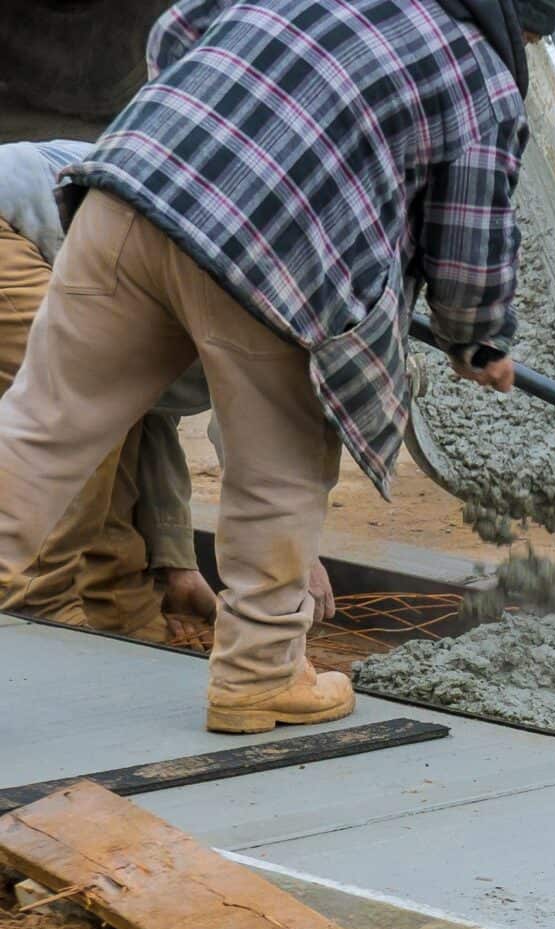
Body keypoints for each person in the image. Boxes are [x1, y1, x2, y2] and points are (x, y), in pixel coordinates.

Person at [0, 0, 555, 732]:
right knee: (282, 472)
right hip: (273, 253)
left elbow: (177, 30)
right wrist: (478, 339)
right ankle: (257, 680)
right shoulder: (482, 74)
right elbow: (467, 238)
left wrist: (206, 134)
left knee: (40, 431)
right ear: (516, 25)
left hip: (130, 190)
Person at [0, 139, 335, 642]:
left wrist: (175, 567)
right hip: (12, 225)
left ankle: (117, 608)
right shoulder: (284, 299)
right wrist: (296, 556)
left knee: (109, 408)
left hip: (61, 239)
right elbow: (259, 446)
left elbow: (149, 421)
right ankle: (35, 611)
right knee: (77, 403)